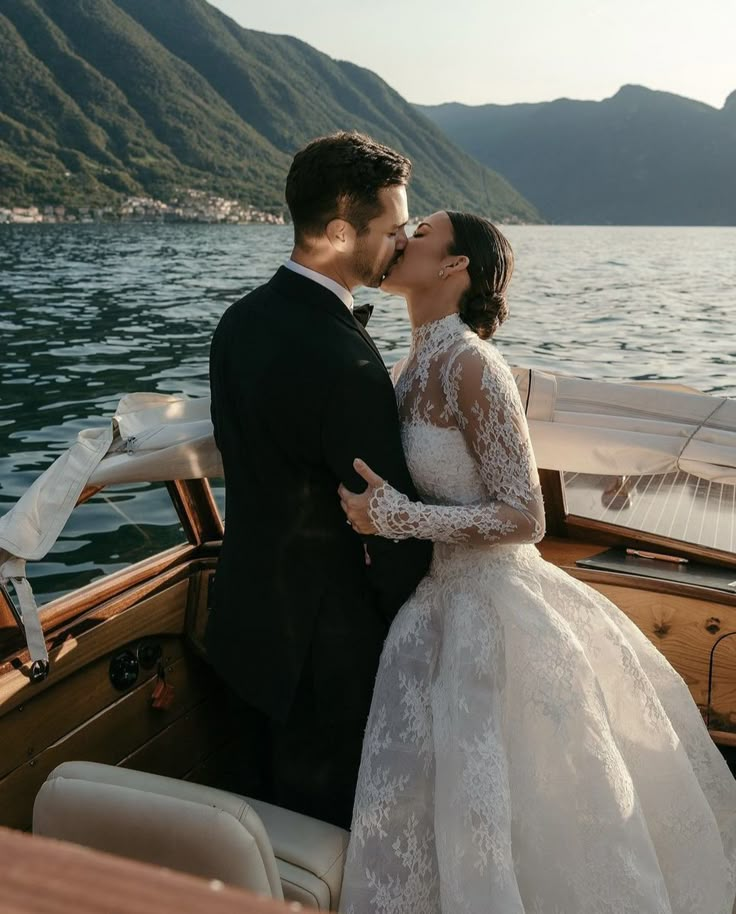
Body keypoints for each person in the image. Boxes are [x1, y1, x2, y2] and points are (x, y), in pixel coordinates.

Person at [337, 211, 736, 912]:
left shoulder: (470, 364)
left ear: (455, 266)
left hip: (495, 609)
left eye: (420, 230)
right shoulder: (409, 364)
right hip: (430, 608)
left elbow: (527, 517)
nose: (401, 236)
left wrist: (399, 518)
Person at [206, 133, 432, 829]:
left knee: (252, 840)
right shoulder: (349, 363)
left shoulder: (236, 323)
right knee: (324, 842)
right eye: (393, 228)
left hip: (239, 632)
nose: (403, 241)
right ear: (340, 232)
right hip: (324, 658)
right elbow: (391, 527)